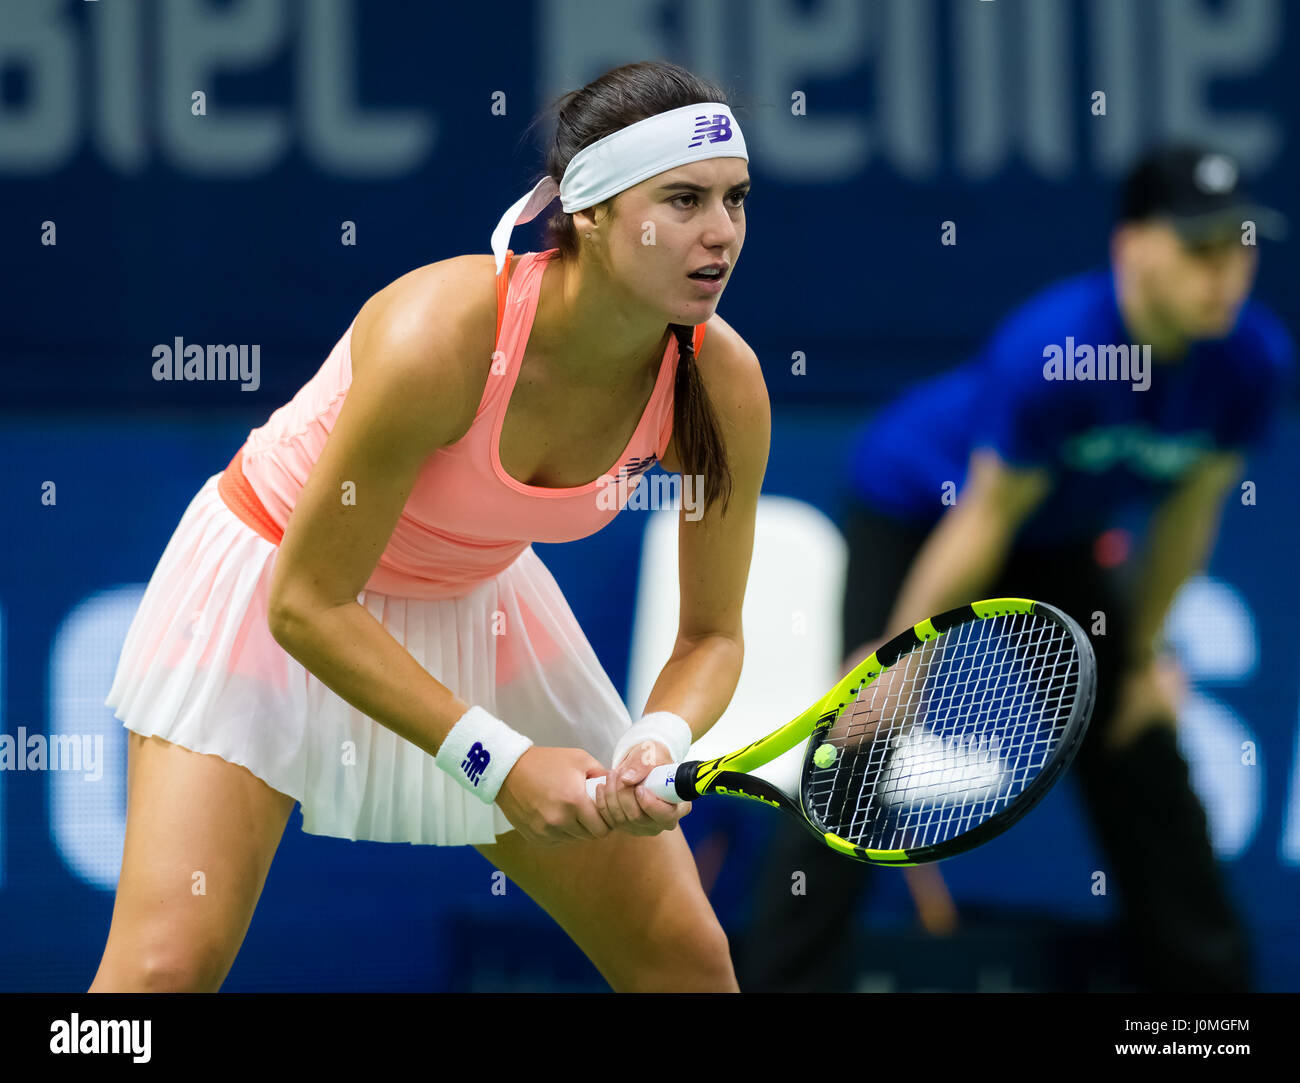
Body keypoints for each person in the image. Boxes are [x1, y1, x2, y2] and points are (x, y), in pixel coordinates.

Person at [91, 60, 769, 993]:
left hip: (479, 603)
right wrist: (496, 760)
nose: (721, 233)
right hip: (272, 583)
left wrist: (657, 735)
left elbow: (710, 636)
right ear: (589, 211)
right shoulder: (441, 336)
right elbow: (306, 600)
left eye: (735, 199)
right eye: (684, 199)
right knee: (160, 973)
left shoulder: (724, 383)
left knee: (685, 960)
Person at [737, 144, 1293, 993]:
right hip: (923, 505)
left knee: (1136, 731)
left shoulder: (1251, 363)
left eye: (1240, 245)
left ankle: (1208, 1009)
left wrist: (1140, 659)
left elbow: (1188, 514)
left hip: (1050, 533)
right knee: (858, 737)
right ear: (1132, 246)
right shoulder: (1057, 349)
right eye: (1199, 248)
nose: (1225, 273)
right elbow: (983, 516)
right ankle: (780, 982)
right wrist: (895, 658)